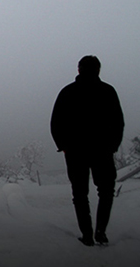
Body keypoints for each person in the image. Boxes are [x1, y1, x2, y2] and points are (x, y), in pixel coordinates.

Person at [51, 55, 124, 246]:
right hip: (103, 151)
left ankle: (87, 235)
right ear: (98, 70)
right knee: (106, 191)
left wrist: (64, 146)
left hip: (75, 152)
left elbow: (56, 123)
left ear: (79, 70)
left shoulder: (68, 92)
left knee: (80, 193)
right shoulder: (108, 91)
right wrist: (113, 146)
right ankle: (100, 232)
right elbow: (118, 122)